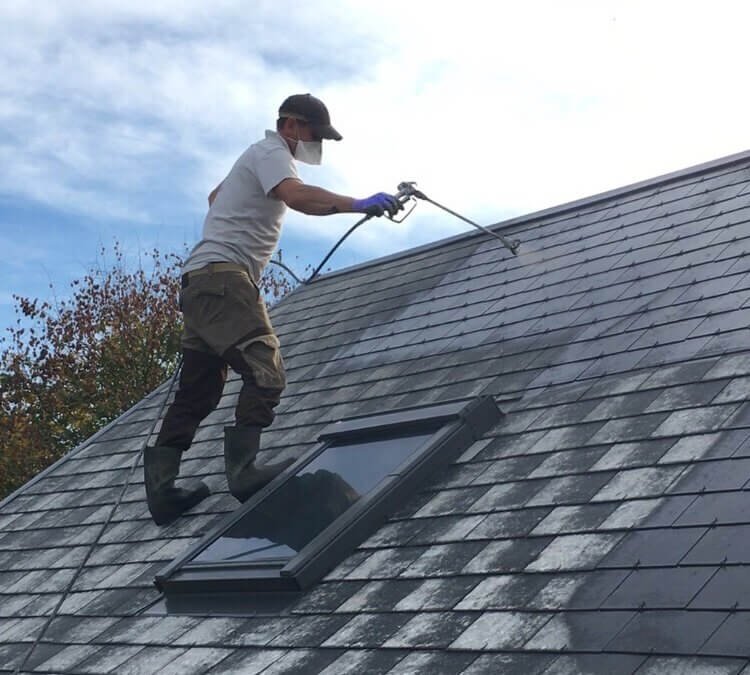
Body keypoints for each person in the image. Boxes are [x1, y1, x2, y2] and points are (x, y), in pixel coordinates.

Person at [144, 93, 403, 526]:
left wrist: (243, 218)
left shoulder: (254, 158)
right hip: (224, 280)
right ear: (291, 126)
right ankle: (244, 474)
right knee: (267, 368)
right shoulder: (270, 151)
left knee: (199, 390)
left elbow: (215, 197)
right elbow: (297, 197)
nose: (316, 144)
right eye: (315, 135)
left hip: (200, 284)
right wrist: (356, 203)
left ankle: (163, 491)